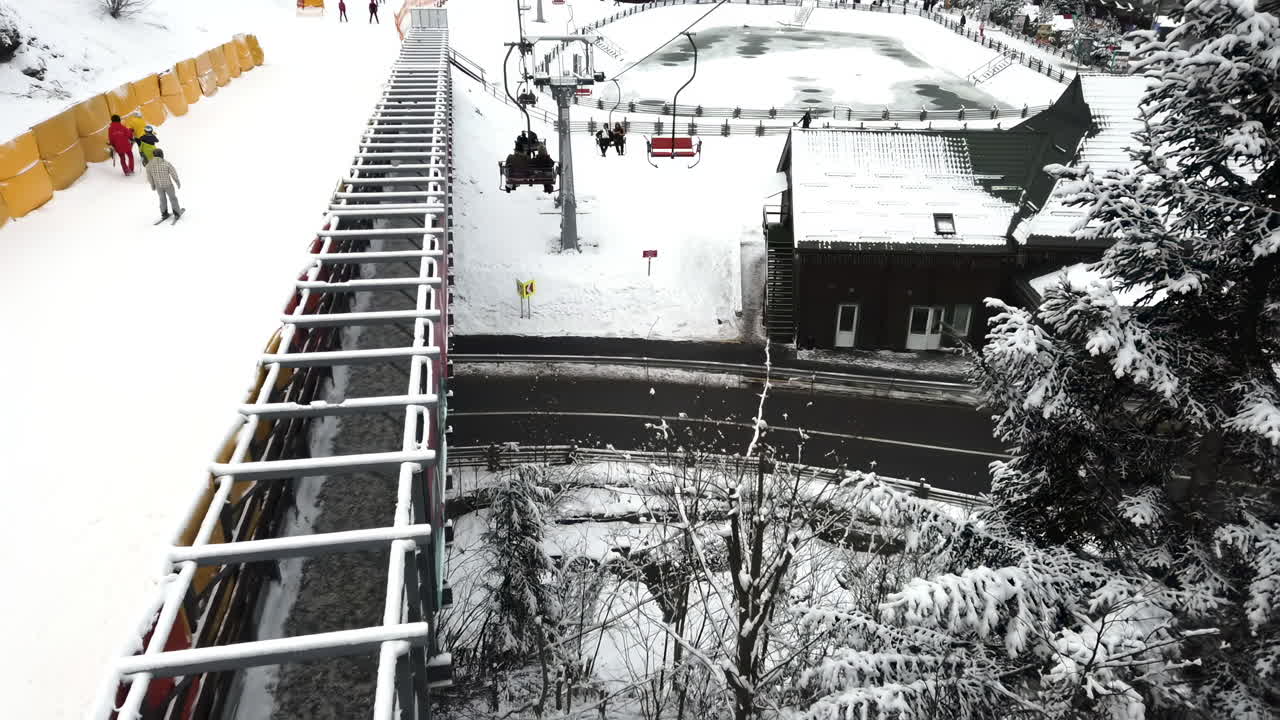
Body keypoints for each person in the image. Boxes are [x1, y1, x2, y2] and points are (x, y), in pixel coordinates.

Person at [146, 148, 182, 221]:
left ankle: (164, 213)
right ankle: (176, 213)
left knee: (162, 199)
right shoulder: (166, 163)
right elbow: (173, 173)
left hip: (158, 186)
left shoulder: (149, 165)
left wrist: (152, 185)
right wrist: (177, 181)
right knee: (173, 198)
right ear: (161, 155)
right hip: (168, 185)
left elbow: (149, 177)